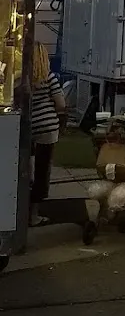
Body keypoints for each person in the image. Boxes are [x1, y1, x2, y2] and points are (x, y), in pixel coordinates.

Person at [30, 43, 66, 225]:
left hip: (29, 129)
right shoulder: (49, 78)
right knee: (42, 172)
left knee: (26, 171)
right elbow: (61, 104)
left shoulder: (23, 79)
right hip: (48, 129)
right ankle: (34, 215)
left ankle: (23, 211)